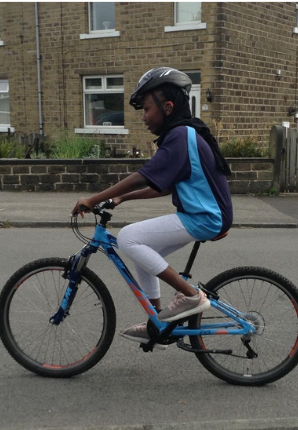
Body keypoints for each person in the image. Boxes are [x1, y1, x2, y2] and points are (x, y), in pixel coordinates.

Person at [71, 67, 233, 348]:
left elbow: (144, 175)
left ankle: (190, 296)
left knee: (129, 238)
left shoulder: (181, 136)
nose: (144, 117)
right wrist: (123, 199)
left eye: (147, 109)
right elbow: (165, 185)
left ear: (168, 107)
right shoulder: (185, 134)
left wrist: (93, 198)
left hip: (205, 217)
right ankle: (159, 322)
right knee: (143, 253)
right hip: (202, 215)